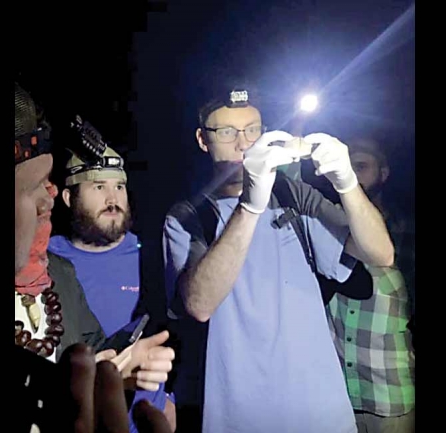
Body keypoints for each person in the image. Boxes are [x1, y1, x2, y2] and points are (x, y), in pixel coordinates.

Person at [162, 87, 394, 432]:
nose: (243, 143)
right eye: (226, 132)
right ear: (202, 140)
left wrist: (347, 183)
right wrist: (250, 206)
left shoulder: (292, 194)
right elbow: (198, 304)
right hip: (241, 417)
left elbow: (381, 253)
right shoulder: (188, 216)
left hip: (323, 412)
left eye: (253, 129)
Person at [14, 81, 173, 432]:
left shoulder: (60, 273)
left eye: (119, 186)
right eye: (32, 184)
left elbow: (94, 347)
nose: (49, 197)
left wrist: (128, 367)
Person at [48, 136, 176, 430]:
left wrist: (169, 397)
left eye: (119, 187)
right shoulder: (46, 260)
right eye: (99, 187)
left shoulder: (153, 257)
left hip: (145, 420)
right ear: (69, 198)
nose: (113, 199)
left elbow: (177, 334)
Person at [326, 137, 415, 433]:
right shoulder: (326, 226)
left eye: (361, 167)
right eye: (347, 166)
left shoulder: (405, 231)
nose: (351, 174)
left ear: (383, 174)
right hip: (335, 393)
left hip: (390, 393)